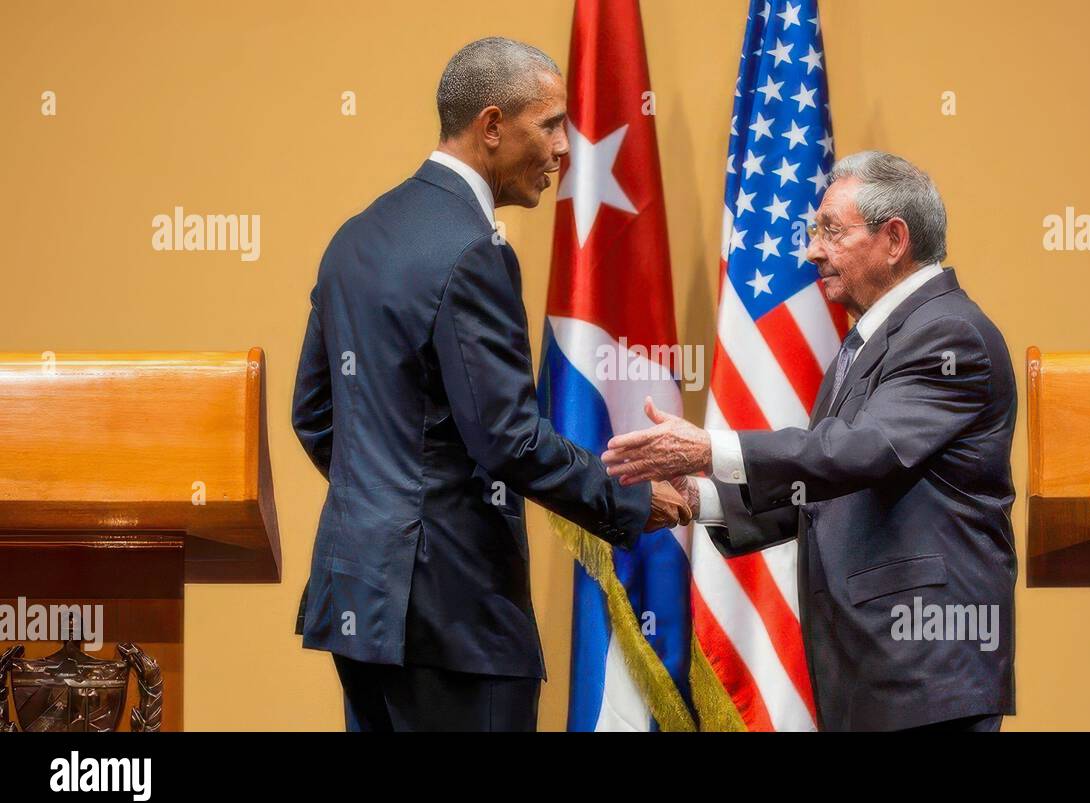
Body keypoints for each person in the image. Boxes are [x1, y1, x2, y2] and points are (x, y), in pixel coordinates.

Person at [292, 36, 690, 732]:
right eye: (551, 124)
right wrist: (627, 500)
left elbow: (315, 413)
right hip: (455, 617)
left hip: (357, 599)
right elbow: (506, 436)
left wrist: (390, 503)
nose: (567, 147)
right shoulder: (475, 249)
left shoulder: (354, 236)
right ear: (493, 126)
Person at [602, 151, 1017, 731]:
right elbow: (828, 484)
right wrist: (704, 500)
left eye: (831, 231)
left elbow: (861, 450)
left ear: (894, 238)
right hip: (875, 671)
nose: (812, 250)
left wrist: (710, 449)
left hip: (925, 666)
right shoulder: (872, 339)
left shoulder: (950, 335)